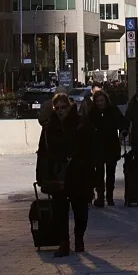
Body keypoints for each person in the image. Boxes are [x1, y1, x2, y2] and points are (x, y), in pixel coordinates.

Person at [35, 92, 95, 256]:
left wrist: (92, 177)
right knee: (59, 211)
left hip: (78, 173)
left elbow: (90, 153)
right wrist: (41, 176)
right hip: (58, 174)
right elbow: (42, 152)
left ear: (69, 107)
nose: (60, 110)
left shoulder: (80, 125)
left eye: (63, 107)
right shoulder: (49, 128)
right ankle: (64, 243)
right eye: (57, 108)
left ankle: (79, 238)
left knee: (80, 209)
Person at [82, 87, 123, 207]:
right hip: (97, 147)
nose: (100, 103)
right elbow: (86, 126)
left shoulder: (113, 110)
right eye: (98, 101)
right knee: (99, 174)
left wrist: (122, 131)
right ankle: (100, 196)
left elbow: (122, 121)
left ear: (106, 100)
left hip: (111, 145)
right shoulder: (92, 113)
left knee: (111, 173)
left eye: (102, 101)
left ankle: (110, 196)